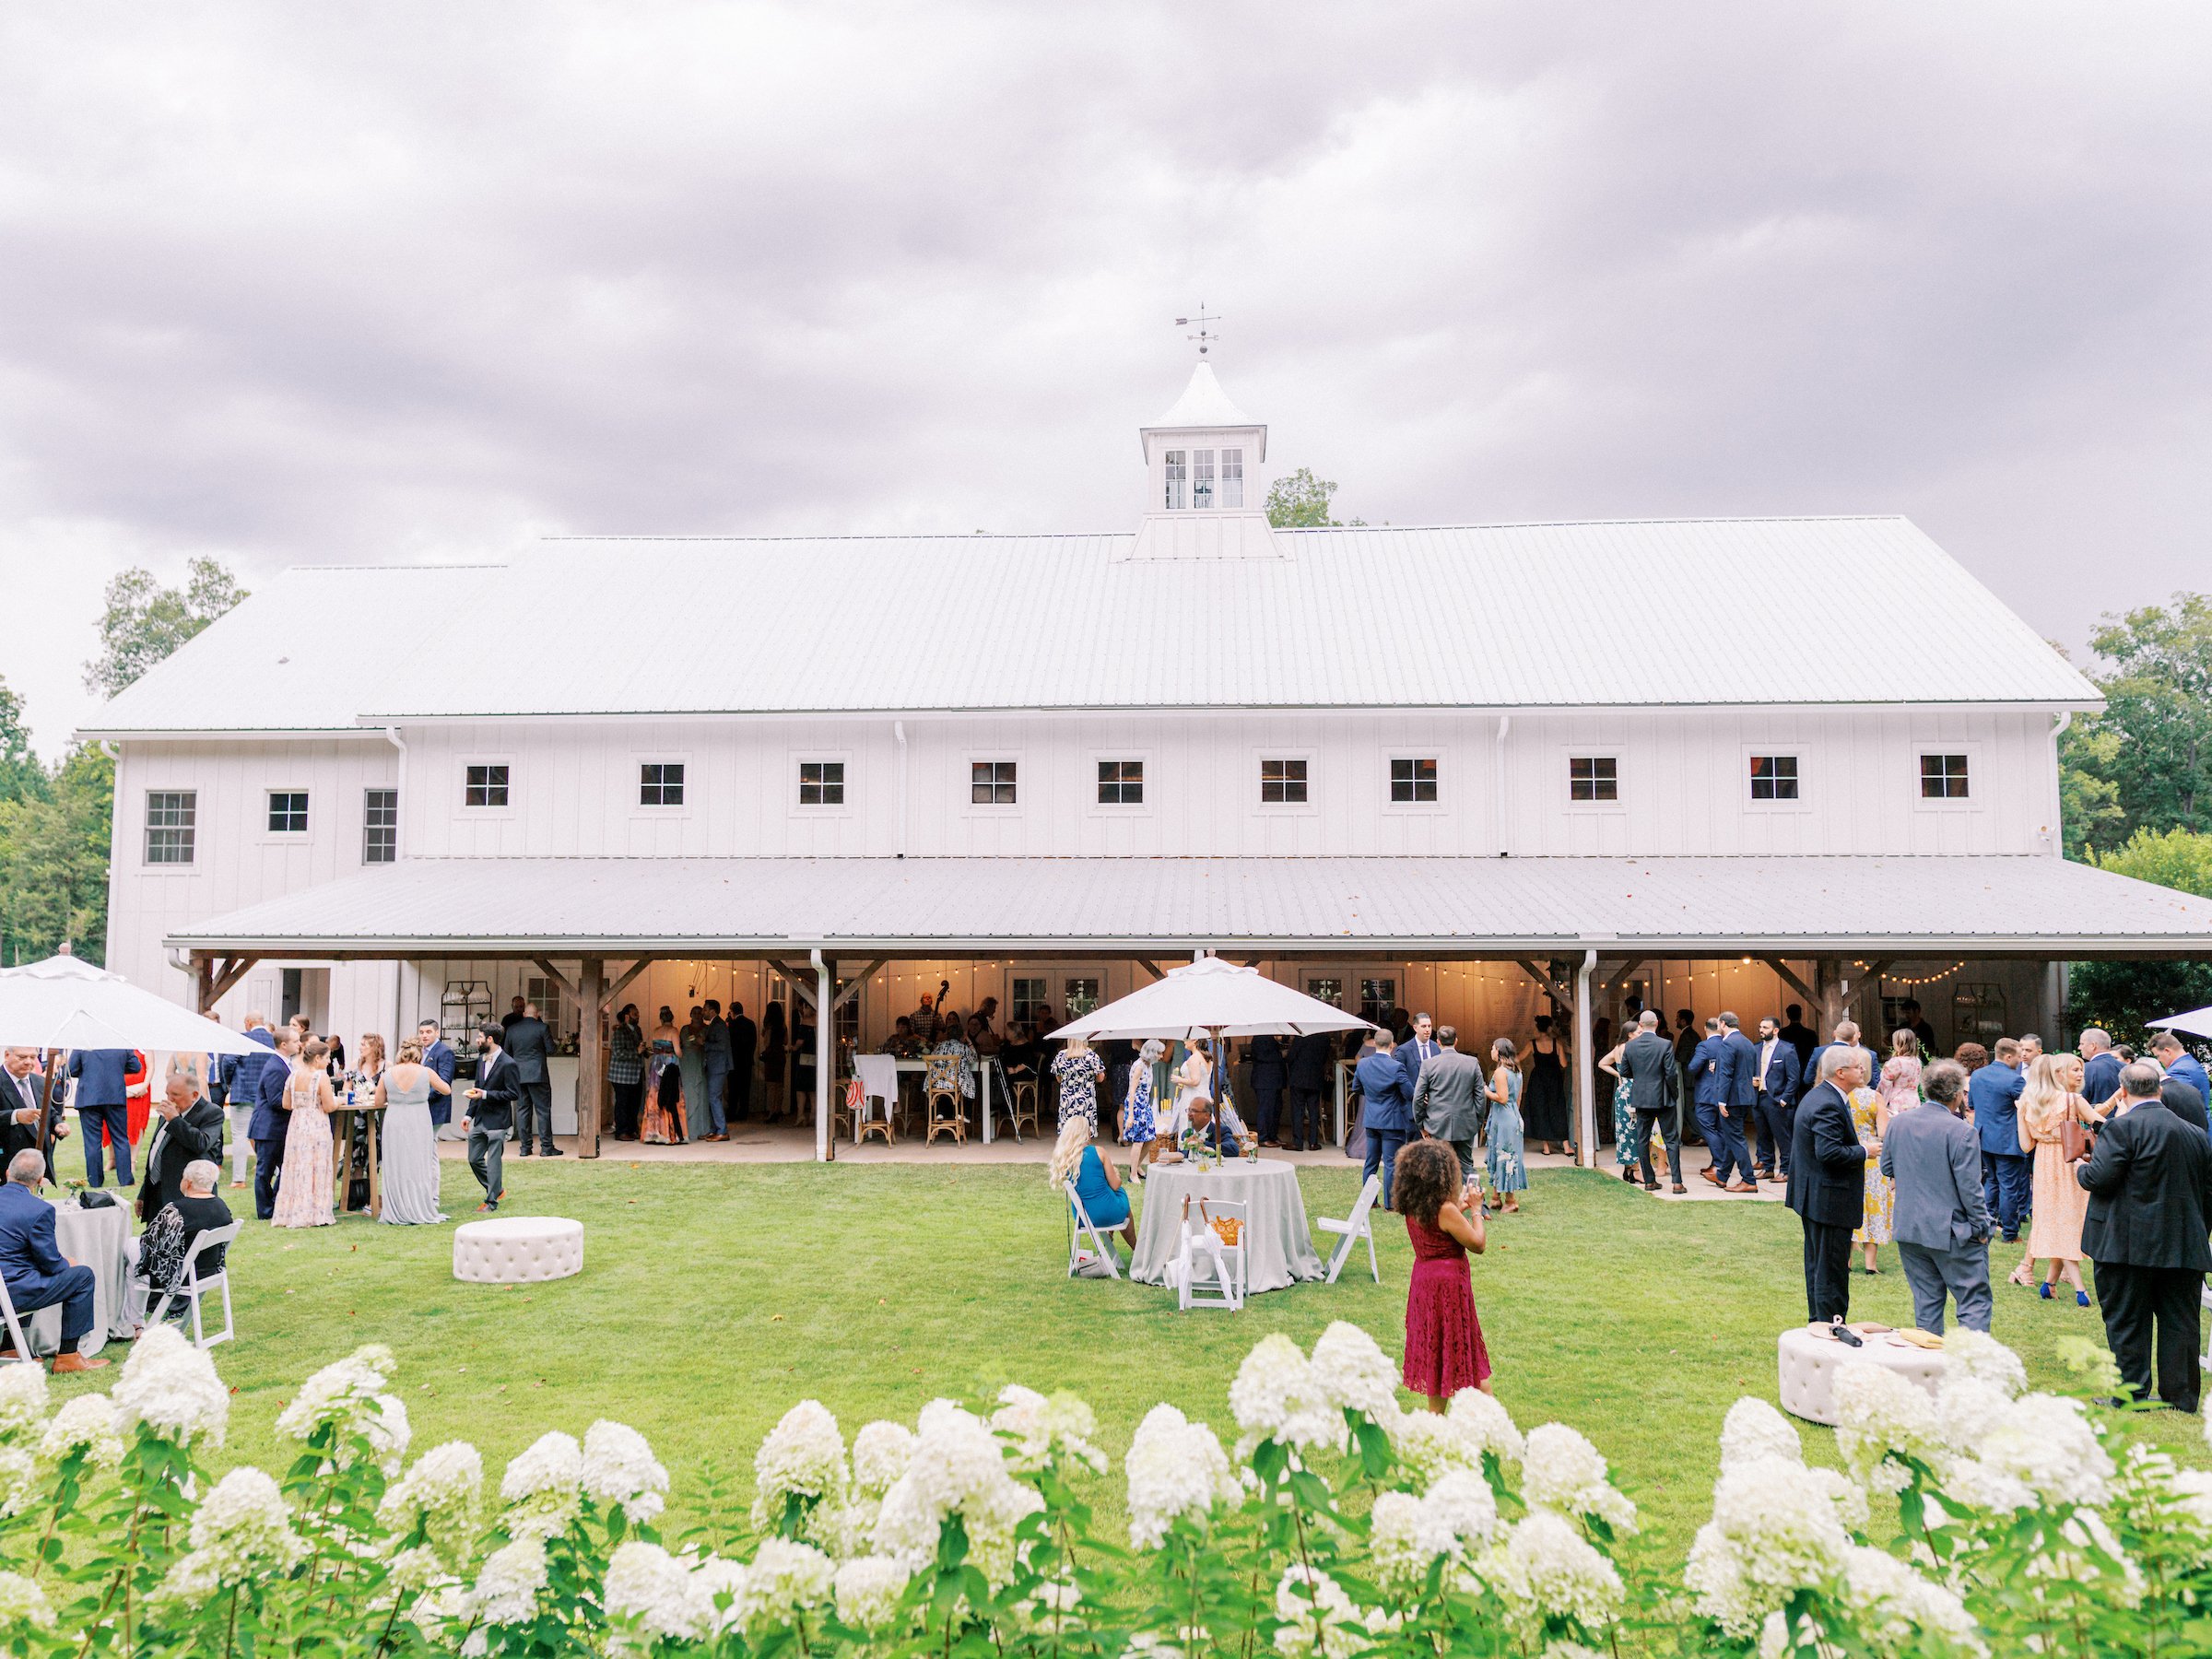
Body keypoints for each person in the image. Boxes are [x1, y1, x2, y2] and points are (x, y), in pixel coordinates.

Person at [2077, 1060, 2212, 1413]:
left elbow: (2100, 1179)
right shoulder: (2196, 1133)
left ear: (2122, 1092)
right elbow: (2207, 1191)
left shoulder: (2120, 1129)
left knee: (2126, 1320)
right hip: (2182, 1241)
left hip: (2125, 1244)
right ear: (2160, 1090)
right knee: (2180, 1320)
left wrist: (2081, 1168)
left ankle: (2132, 1392)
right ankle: (2180, 1395)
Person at [1880, 1060, 1994, 1335]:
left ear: (1925, 1090)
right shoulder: (1962, 1131)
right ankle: (1970, 1368)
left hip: (1910, 1226)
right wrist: (1982, 1226)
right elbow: (1970, 1188)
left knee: (1927, 1304)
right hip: (1952, 1229)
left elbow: (1887, 1167)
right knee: (1973, 1301)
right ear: (1957, 1094)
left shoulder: (1899, 1123)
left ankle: (1929, 1368)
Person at [1393, 1136, 1491, 1409]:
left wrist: (1459, 1207)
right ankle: (1480, 1418)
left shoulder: (1414, 1207)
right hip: (1448, 1287)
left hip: (1425, 1282)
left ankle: (1437, 1417)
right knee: (1458, 1346)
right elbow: (1477, 1244)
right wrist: (1475, 1211)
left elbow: (1439, 1225)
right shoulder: (1445, 1210)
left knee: (1437, 1349)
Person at [1787, 1046, 1875, 1324]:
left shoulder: (1821, 1096)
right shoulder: (1826, 1102)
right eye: (1857, 1066)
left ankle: (1820, 1322)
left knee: (1820, 1265)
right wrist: (1865, 1151)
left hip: (1817, 1196)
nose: (1863, 1070)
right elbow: (1829, 1153)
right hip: (1828, 1199)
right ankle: (1830, 1325)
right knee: (1831, 1268)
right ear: (1841, 1073)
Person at [2011, 1052, 2106, 1301]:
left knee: (2054, 1220)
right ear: (2057, 1074)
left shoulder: (2025, 1104)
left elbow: (2025, 1146)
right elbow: (2103, 1125)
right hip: (2070, 1161)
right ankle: (2078, 1287)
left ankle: (2049, 1283)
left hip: (2043, 1163)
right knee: (2069, 1220)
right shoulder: (2071, 1100)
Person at [0, 1148, 107, 1371]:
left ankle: (10, 1346)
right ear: (40, 1180)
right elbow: (50, 1263)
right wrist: (68, 1262)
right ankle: (68, 1355)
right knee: (83, 1276)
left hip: (8, 1284)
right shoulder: (39, 1210)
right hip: (10, 1293)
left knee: (24, 1269)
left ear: (8, 1172)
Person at [131, 1159, 232, 1326]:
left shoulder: (176, 1210)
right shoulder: (221, 1207)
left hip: (178, 1274)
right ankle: (135, 1322)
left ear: (188, 1182)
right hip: (210, 1270)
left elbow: (149, 1243)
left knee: (130, 1249)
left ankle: (134, 1324)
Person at [376, 1038, 452, 1226]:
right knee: (418, 1163)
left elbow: (378, 1102)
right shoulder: (426, 1072)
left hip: (394, 1119)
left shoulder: (388, 1073)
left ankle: (397, 1208)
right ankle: (418, 1207)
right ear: (419, 1053)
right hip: (418, 1119)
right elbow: (446, 1090)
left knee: (396, 1163)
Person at [137, 1072, 223, 1226]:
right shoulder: (167, 1113)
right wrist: (144, 1193)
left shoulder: (211, 1113)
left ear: (194, 1095)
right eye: (167, 1094)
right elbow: (157, 1151)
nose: (169, 1099)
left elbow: (201, 1144)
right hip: (157, 1191)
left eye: (175, 1095)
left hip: (186, 1194)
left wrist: (175, 1120)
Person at [1969, 1038, 2031, 1242]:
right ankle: (2010, 1233)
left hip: (1983, 1136)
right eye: (2019, 1055)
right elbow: (2027, 1107)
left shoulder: (1977, 1075)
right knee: (2009, 1186)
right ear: (2008, 1056)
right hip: (2007, 1140)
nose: (2021, 1059)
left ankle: (1985, 1226)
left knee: (1992, 1182)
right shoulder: (2015, 1080)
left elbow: (1971, 1104)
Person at [272, 1038, 338, 1229]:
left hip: (297, 1125)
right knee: (315, 1165)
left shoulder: (293, 1076)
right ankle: (315, 1212)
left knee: (296, 1165)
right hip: (316, 1123)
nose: (328, 1062)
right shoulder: (321, 1077)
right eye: (327, 1058)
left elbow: (286, 1104)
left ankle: (291, 1211)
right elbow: (328, 1105)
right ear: (317, 1058)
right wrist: (339, 1102)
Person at [1050, 1117, 1134, 1258]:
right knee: (1120, 1194)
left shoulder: (1066, 1158)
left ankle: (1110, 1238)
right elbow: (1115, 1184)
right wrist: (1115, 1172)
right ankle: (1136, 1248)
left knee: (1107, 1193)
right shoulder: (1099, 1152)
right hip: (1106, 1212)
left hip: (1082, 1217)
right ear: (1085, 1133)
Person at [1619, 1011, 1684, 1192]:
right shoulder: (1665, 1044)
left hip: (1641, 1097)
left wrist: (1640, 1077)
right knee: (1671, 1139)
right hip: (1663, 1097)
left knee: (1642, 1139)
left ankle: (1649, 1180)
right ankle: (1677, 1182)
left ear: (1640, 1024)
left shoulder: (1630, 1046)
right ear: (1657, 1023)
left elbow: (1624, 1071)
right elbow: (1671, 1073)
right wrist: (1674, 1093)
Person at [66, 1046, 144, 1188]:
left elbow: (71, 1069)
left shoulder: (83, 1043)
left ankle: (95, 1181)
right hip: (115, 1096)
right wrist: (116, 1068)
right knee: (120, 1138)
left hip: (89, 1097)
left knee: (92, 1142)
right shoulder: (120, 1044)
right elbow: (136, 1067)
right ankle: (126, 1180)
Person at [462, 1023, 519, 1212]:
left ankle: (491, 1202)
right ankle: (497, 1189)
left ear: (490, 1039)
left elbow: (513, 1093)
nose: (477, 1040)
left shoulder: (509, 1063)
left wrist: (486, 1095)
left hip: (498, 1121)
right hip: (480, 1118)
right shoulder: (481, 1060)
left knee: (494, 1162)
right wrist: (468, 1115)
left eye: (479, 1037)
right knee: (474, 1159)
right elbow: (476, 1088)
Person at [1851, 1042, 1898, 1274]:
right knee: (1873, 1208)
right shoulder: (1874, 1097)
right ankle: (1871, 1265)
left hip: (1849, 1155)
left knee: (1851, 1206)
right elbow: (1884, 1133)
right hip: (1871, 1156)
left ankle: (1846, 1261)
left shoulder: (1841, 1096)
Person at [1356, 1028, 1414, 1207]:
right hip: (1392, 1120)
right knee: (1390, 1162)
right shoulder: (1396, 1067)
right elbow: (1409, 1093)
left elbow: (1357, 1088)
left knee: (1371, 1161)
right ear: (1392, 1045)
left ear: (1374, 1043)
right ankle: (1391, 1203)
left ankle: (1369, 1201)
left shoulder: (1363, 1064)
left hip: (1372, 1118)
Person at [248, 1028, 300, 1220]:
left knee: (285, 1168)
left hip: (279, 1127)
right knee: (265, 1171)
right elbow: (275, 1099)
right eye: (296, 1041)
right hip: (268, 1127)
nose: (299, 1044)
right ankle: (265, 1210)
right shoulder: (275, 1066)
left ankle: (276, 1203)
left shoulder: (287, 1064)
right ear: (284, 1045)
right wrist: (299, 1104)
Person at [1750, 1016, 1801, 1181]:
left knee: (1783, 1137)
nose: (1761, 1030)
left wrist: (1784, 1099)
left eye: (1765, 1028)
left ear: (1776, 1030)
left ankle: (1786, 1170)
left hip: (1778, 1099)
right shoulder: (1756, 1048)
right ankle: (1767, 1167)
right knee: (1763, 1135)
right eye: (1760, 1027)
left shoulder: (1787, 1050)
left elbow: (1794, 1078)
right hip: (1759, 1097)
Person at [1, 1047, 65, 1175]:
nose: (28, 1062)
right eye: (22, 1057)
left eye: (32, 1057)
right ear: (7, 1055)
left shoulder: (40, 1081)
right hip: (7, 1161)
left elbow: (48, 1111)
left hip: (39, 1160)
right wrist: (15, 1116)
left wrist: (57, 1124)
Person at [505, 1001, 558, 1157]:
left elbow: (507, 1053)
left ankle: (525, 1148)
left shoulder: (512, 1029)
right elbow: (551, 1050)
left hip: (519, 1076)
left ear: (523, 1014)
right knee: (543, 1111)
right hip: (538, 1074)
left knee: (522, 1111)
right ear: (537, 1015)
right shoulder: (542, 1028)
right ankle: (547, 1147)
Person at [1485, 1038, 1527, 1215]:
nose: (1491, 1051)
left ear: (1499, 1052)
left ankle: (1510, 1201)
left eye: (1493, 1048)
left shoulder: (1501, 1072)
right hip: (1512, 1116)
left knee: (1506, 1156)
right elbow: (1516, 1100)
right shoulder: (1517, 1071)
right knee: (1499, 1154)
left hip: (1504, 1120)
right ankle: (1496, 1197)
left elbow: (1502, 1098)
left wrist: (1486, 1090)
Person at [1719, 1014, 1762, 1184]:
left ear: (1723, 1023)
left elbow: (1726, 1074)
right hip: (1746, 1096)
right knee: (1733, 1135)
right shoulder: (1748, 1042)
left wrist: (1722, 1100)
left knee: (1736, 1138)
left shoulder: (1728, 1043)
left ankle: (1748, 1179)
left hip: (1732, 1098)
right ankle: (1722, 1175)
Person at [1522, 1014, 1571, 1157]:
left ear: (1538, 1028)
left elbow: (1519, 1057)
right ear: (1550, 1028)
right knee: (1558, 1109)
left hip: (1538, 1079)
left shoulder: (1532, 1044)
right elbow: (1563, 1064)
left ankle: (1546, 1147)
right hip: (1554, 1079)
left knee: (1540, 1110)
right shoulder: (1557, 1044)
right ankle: (1566, 1146)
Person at [1119, 1039, 1165, 1181]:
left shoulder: (1148, 1065)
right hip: (1136, 1104)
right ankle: (1133, 1175)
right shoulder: (1139, 1066)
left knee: (1150, 1138)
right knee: (1138, 1141)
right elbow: (1132, 1091)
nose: (1161, 1056)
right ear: (1152, 1053)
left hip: (1144, 1104)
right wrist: (1131, 1115)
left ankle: (1136, 1166)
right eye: (1159, 1053)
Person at [1597, 1027, 1637, 1182]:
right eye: (1638, 1032)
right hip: (1634, 1089)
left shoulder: (1618, 1048)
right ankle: (1634, 1169)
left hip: (1622, 1091)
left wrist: (1618, 1074)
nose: (1641, 1035)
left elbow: (1602, 1063)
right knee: (1635, 1128)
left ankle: (1627, 1168)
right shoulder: (1630, 1048)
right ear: (1630, 1034)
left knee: (1624, 1130)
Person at [1284, 1030, 1333, 1153]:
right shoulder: (1325, 1039)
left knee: (1297, 1111)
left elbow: (1291, 1057)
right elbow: (1326, 1058)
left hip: (1298, 1078)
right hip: (1315, 1077)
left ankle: (1298, 1142)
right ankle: (1313, 1142)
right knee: (1314, 1111)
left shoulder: (1300, 1037)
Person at [641, 1018, 687, 1144]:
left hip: (656, 1064)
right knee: (671, 1095)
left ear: (661, 1019)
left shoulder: (656, 1031)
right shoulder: (673, 1031)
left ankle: (653, 1131)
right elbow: (678, 1051)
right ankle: (670, 1132)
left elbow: (651, 1048)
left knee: (655, 1095)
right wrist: (682, 1053)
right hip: (669, 1063)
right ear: (672, 1019)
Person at [2150, 1032, 2211, 1123]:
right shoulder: (2191, 1063)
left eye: (2158, 1056)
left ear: (2167, 1051)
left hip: (2192, 1129)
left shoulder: (2178, 1071)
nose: (2158, 1060)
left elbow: (2177, 1105)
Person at [1052, 1036, 1106, 1135]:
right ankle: (1083, 1149)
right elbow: (1101, 1078)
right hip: (1086, 1100)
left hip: (1067, 1100)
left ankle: (1070, 1149)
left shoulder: (1060, 1056)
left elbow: (1058, 1079)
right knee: (1085, 1131)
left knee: (1068, 1131)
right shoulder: (1091, 1056)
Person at [418, 1018, 461, 1141]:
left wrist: (421, 1096)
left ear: (437, 1033)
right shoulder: (419, 1050)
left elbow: (444, 1082)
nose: (424, 1035)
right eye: (421, 1032)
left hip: (435, 1105)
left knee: (430, 1143)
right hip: (422, 1105)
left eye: (428, 1032)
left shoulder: (444, 1052)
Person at [606, 1005, 645, 1141]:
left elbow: (639, 1048)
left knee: (634, 1104)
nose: (638, 1016)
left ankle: (632, 1129)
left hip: (636, 1074)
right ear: (627, 1016)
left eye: (638, 1013)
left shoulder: (638, 1030)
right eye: (635, 1014)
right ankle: (621, 1131)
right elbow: (618, 1052)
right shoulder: (620, 1031)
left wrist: (645, 1051)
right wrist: (637, 1052)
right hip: (621, 1075)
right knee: (622, 1104)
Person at [699, 1000, 732, 1142]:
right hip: (713, 1065)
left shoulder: (719, 1024)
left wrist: (704, 1043)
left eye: (705, 1009)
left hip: (718, 1066)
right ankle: (714, 1130)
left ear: (712, 1011)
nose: (702, 1012)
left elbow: (722, 1046)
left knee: (714, 1097)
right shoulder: (714, 1024)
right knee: (712, 1097)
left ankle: (722, 1130)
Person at [1245, 1035, 1287, 1147]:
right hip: (1265, 1080)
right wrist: (1280, 1055)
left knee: (1275, 1109)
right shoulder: (1260, 1038)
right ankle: (1263, 1137)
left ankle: (1273, 1135)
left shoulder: (1268, 1037)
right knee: (1265, 1109)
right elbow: (1261, 1056)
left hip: (1273, 1080)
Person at [1170, 1039, 1214, 1140]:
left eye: (1187, 1039)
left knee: (1189, 1123)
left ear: (1194, 1041)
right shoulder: (1207, 1058)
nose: (1184, 1041)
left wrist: (1179, 1079)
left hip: (1193, 1097)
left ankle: (1189, 1149)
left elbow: (1195, 1081)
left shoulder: (1194, 1058)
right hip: (1204, 1095)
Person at [728, 1000, 758, 1123]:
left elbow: (730, 1043)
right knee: (745, 1089)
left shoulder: (732, 1025)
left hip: (735, 1061)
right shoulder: (751, 1024)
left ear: (732, 1012)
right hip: (747, 1061)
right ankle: (743, 1112)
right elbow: (754, 1042)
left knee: (733, 1089)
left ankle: (732, 1113)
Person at [2078, 1027, 2123, 1108]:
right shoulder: (2127, 1068)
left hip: (2095, 1118)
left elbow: (2080, 1102)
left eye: (2082, 1044)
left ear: (2093, 1046)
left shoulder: (2085, 1069)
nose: (2079, 1048)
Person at [759, 1001, 787, 1119]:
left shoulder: (769, 1026)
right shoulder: (783, 1025)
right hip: (780, 1054)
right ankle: (778, 1109)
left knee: (771, 1085)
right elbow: (786, 1041)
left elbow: (767, 1042)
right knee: (779, 1084)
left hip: (771, 1055)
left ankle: (771, 1111)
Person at [1779, 1004, 1818, 1074]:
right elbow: (1815, 1054)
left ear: (1788, 1016)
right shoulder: (1810, 1034)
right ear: (1800, 1015)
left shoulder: (1782, 1033)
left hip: (1788, 1070)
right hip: (1806, 1069)